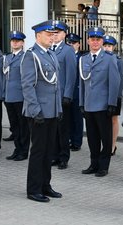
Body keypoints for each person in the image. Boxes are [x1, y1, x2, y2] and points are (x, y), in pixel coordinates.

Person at [21, 19, 63, 203]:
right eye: (48, 34)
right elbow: (28, 86)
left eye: (54, 34)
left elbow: (56, 85)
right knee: (38, 151)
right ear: (38, 36)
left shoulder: (51, 54)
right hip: (38, 112)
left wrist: (58, 108)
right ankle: (34, 189)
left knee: (49, 151)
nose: (52, 37)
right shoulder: (31, 56)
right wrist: (35, 110)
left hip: (52, 111)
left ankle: (46, 185)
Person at [80, 27, 120, 177]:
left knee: (105, 137)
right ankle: (93, 163)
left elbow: (114, 83)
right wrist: (82, 103)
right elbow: (82, 83)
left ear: (102, 41)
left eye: (98, 39)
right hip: (89, 104)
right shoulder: (83, 59)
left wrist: (112, 103)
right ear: (88, 41)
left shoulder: (109, 58)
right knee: (92, 137)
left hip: (103, 105)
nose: (95, 42)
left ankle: (104, 166)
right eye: (92, 39)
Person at [50, 20, 77, 170]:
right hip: (50, 97)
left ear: (64, 34)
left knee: (63, 129)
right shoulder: (48, 49)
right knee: (52, 128)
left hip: (62, 97)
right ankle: (54, 155)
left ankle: (63, 157)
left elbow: (71, 75)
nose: (54, 36)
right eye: (52, 33)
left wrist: (68, 95)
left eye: (57, 33)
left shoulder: (67, 51)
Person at [3, 31, 30, 161]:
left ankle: (24, 151)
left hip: (20, 97)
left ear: (22, 43)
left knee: (23, 126)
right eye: (13, 40)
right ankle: (17, 148)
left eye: (18, 41)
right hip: (9, 96)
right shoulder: (7, 58)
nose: (15, 42)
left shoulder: (25, 57)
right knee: (14, 125)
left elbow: (27, 79)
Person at [102, 35, 123, 156]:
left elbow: (120, 80)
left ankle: (112, 145)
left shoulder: (117, 60)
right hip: (102, 95)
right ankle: (105, 144)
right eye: (104, 45)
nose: (106, 48)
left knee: (113, 119)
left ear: (114, 47)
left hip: (114, 95)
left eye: (109, 46)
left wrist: (117, 97)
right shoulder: (100, 59)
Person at [67, 33, 84, 152]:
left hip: (78, 91)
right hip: (67, 92)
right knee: (68, 118)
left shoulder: (82, 58)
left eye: (74, 43)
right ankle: (69, 139)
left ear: (79, 44)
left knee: (77, 118)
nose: (72, 45)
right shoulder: (66, 56)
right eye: (69, 43)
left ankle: (77, 142)